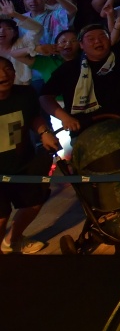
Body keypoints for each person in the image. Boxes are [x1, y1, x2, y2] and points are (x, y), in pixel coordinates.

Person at [0, 57, 61, 254]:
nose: (4, 75)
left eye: (8, 69)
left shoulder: (25, 93)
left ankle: (12, 240)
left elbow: (33, 117)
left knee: (34, 203)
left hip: (22, 161)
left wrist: (44, 133)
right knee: (1, 216)